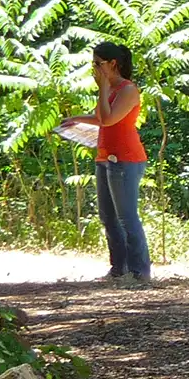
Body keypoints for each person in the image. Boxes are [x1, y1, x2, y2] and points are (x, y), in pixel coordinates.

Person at [61, 42, 152, 283]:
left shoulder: (127, 89)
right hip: (104, 156)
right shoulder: (109, 89)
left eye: (98, 64)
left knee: (127, 216)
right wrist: (75, 119)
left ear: (113, 64)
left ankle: (139, 271)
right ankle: (118, 268)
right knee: (108, 217)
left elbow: (110, 120)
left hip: (125, 158)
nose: (95, 69)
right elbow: (100, 117)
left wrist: (102, 88)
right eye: (93, 64)